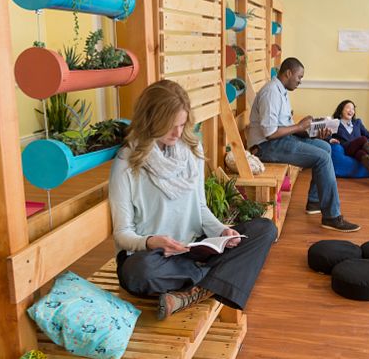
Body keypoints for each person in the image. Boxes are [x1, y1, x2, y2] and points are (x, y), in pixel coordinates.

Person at [109, 80, 277, 321]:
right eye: (169, 126)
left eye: (181, 124)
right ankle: (213, 282)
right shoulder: (127, 162)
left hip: (193, 249)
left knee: (264, 229)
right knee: (138, 273)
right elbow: (122, 233)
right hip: (155, 257)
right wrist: (152, 242)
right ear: (150, 120)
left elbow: (199, 207)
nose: (177, 133)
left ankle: (192, 292)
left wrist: (221, 230)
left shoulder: (191, 149)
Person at [247, 57, 361, 233]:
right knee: (322, 158)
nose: (300, 81)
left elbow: (286, 127)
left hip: (280, 141)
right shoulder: (271, 93)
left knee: (326, 148)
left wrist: (313, 130)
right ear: (288, 73)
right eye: (299, 77)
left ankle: (314, 202)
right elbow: (270, 133)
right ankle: (331, 216)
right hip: (265, 147)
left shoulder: (282, 92)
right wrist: (300, 126)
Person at [329, 99, 369, 186]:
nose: (351, 111)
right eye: (348, 108)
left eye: (353, 109)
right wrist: (330, 139)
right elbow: (327, 134)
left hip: (357, 150)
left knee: (362, 153)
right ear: (341, 110)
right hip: (347, 149)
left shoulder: (357, 122)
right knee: (362, 139)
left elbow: (366, 133)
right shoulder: (335, 123)